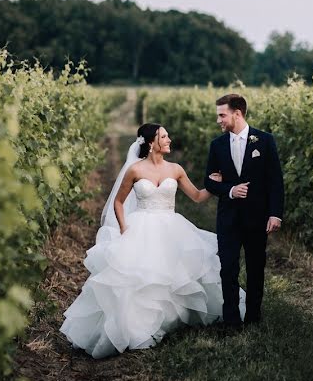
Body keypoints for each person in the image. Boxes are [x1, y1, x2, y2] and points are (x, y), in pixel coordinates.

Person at [60, 123, 241, 358]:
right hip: (140, 226)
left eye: (167, 136)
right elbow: (118, 201)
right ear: (150, 143)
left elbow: (197, 197)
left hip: (170, 225)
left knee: (173, 274)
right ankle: (137, 327)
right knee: (139, 278)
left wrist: (214, 184)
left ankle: (173, 319)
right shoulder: (135, 170)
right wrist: (124, 227)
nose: (169, 140)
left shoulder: (175, 169)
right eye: (164, 137)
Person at [204, 94, 284, 329]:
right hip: (228, 218)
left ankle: (253, 317)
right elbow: (209, 182)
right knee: (228, 268)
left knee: (255, 267)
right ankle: (231, 320)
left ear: (237, 113)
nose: (218, 120)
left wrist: (275, 213)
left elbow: (275, 181)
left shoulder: (265, 140)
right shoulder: (217, 145)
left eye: (222, 115)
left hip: (257, 217)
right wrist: (229, 190)